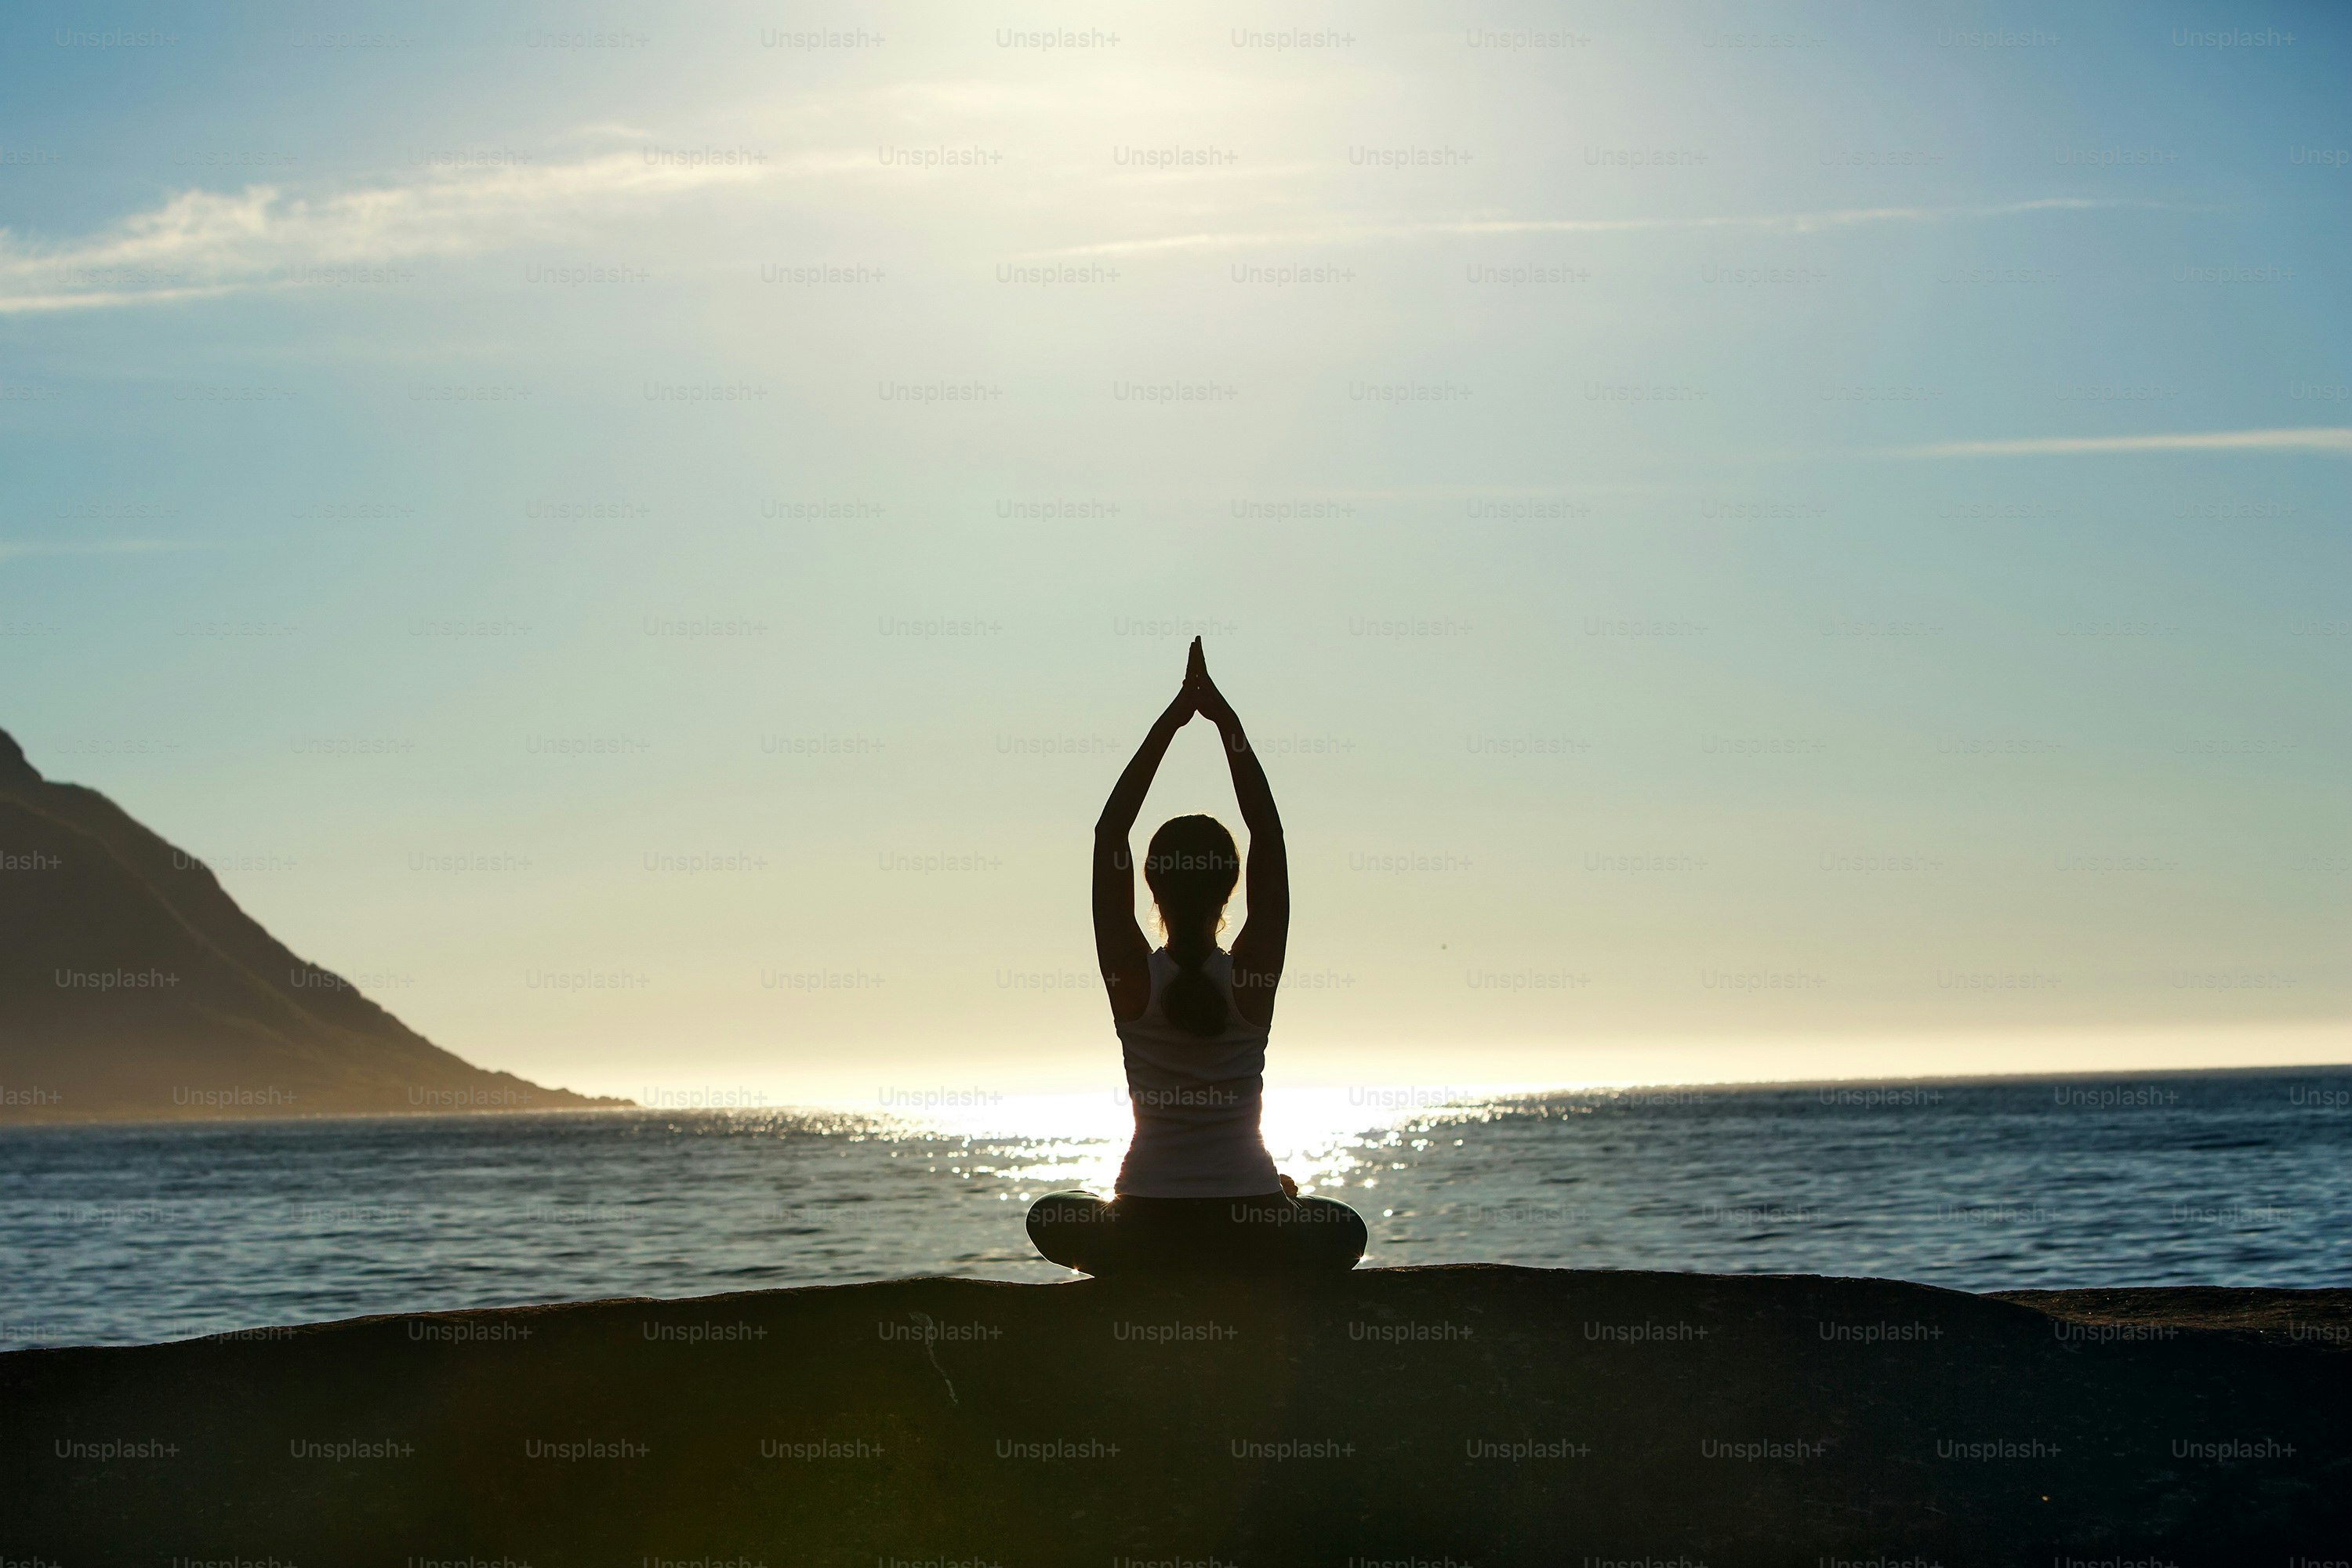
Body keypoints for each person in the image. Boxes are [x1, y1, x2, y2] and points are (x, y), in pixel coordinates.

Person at [1026, 639, 1368, 1276]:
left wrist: (1170, 724)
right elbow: (1269, 834)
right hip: (1253, 1226)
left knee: (1050, 1213)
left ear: (1151, 886)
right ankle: (1265, 1215)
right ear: (1229, 888)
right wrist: (1225, 726)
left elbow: (1108, 836)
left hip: (1145, 1228)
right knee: (1345, 1227)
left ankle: (1160, 1258)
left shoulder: (1133, 980)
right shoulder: (1250, 981)